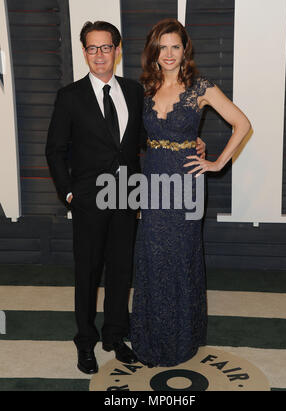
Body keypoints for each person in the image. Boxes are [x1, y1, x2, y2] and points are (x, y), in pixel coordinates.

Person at [130, 18, 251, 367]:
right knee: (152, 256)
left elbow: (242, 124)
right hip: (153, 182)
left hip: (186, 184)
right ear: (155, 51)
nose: (168, 54)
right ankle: (151, 334)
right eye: (162, 47)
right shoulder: (145, 88)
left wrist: (216, 163)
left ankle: (182, 336)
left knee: (182, 257)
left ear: (185, 51)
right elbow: (137, 138)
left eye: (175, 47)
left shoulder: (201, 88)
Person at [46, 21, 144, 375]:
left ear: (118, 50)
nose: (99, 55)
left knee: (121, 271)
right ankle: (85, 342)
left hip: (126, 196)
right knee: (87, 274)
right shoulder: (69, 96)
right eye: (92, 48)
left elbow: (144, 140)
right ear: (84, 52)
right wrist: (70, 193)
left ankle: (116, 336)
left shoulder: (134, 91)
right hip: (89, 200)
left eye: (106, 47)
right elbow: (55, 150)